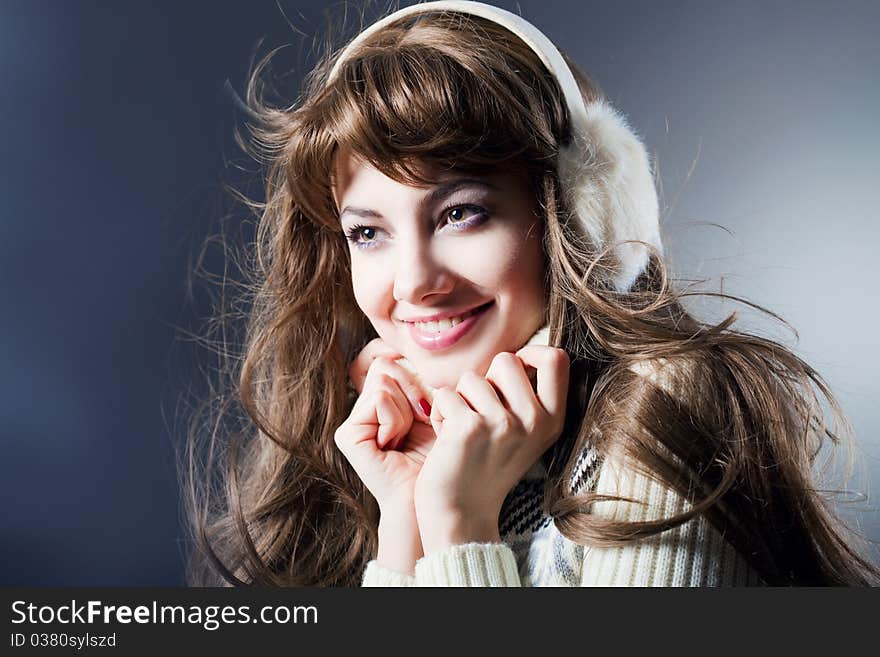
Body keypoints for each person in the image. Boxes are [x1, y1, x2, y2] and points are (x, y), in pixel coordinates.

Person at [184, 1, 878, 586]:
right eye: (369, 233)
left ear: (578, 212)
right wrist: (407, 524)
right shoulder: (417, 438)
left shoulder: (661, 402)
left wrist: (459, 529)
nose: (415, 281)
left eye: (461, 213)